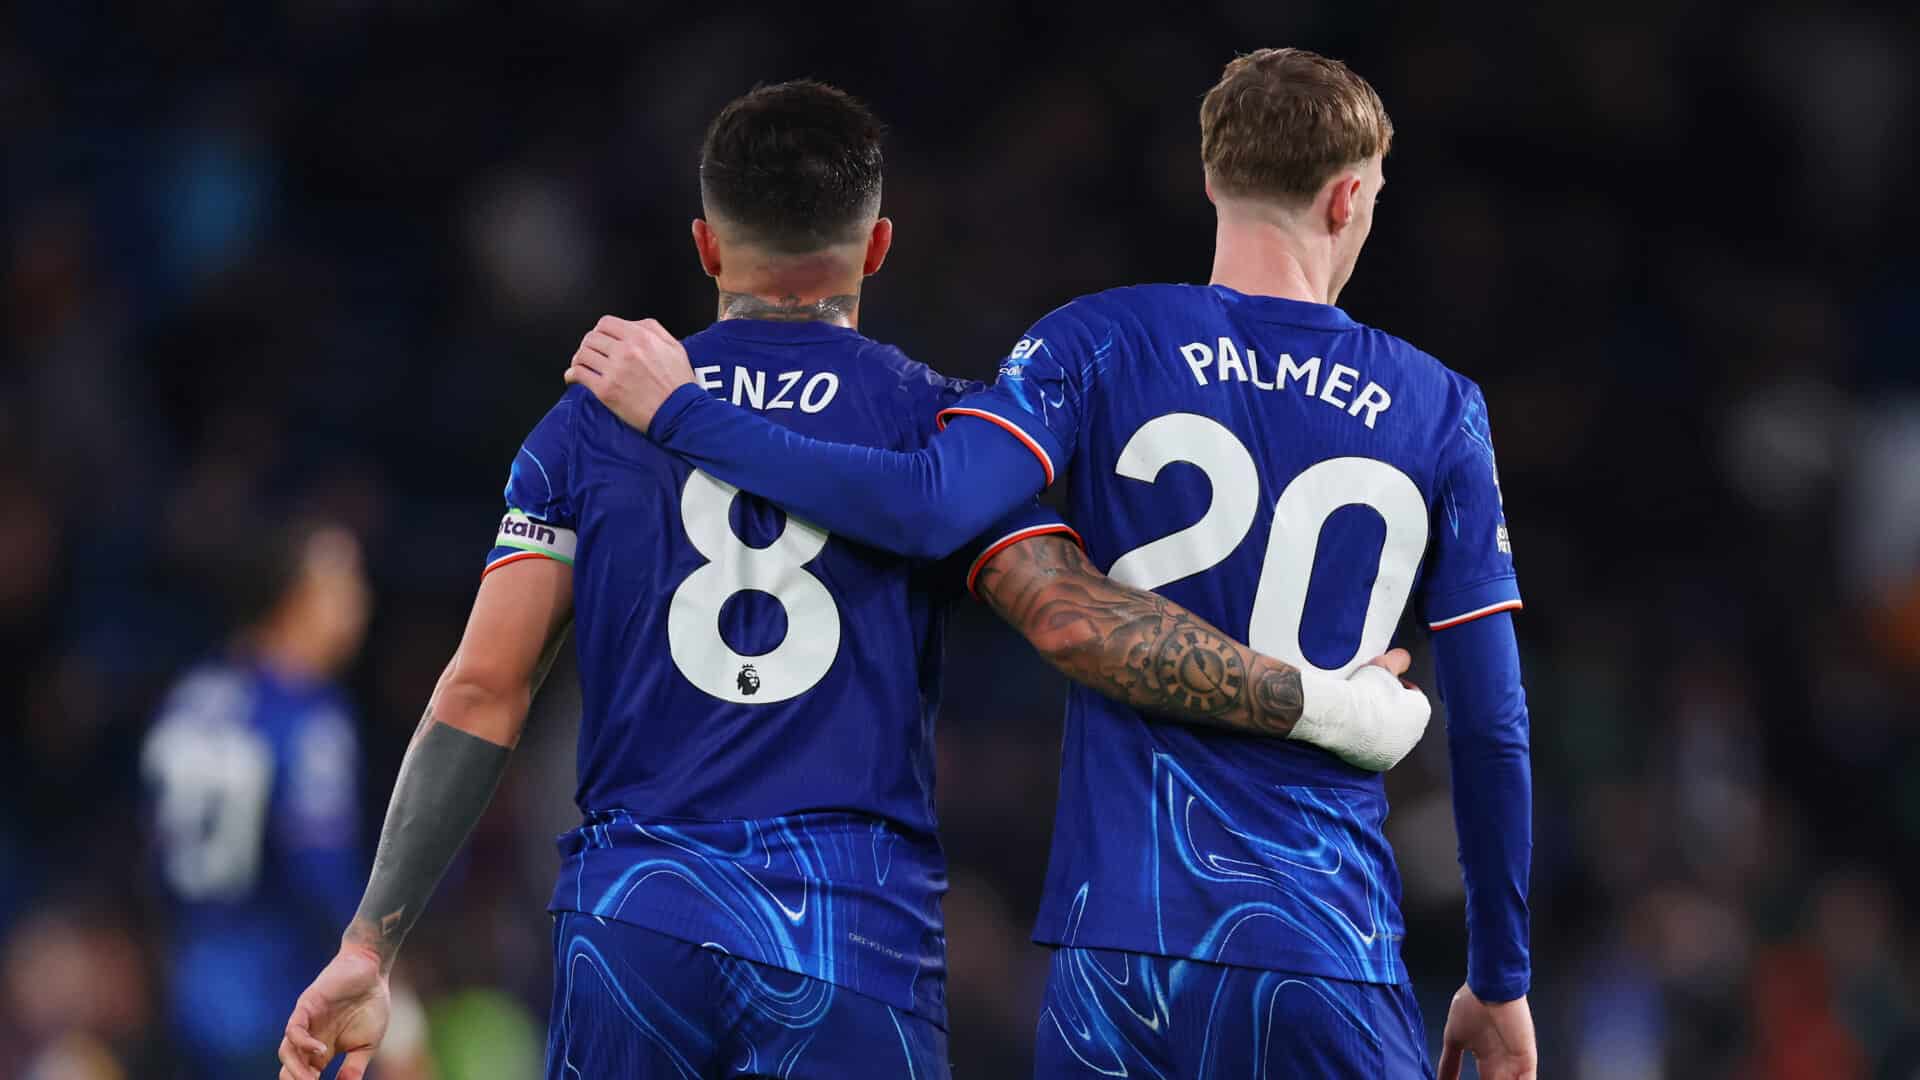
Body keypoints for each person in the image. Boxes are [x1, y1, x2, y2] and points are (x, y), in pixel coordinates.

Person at [274, 80, 1427, 1080]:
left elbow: (482, 691)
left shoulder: (586, 428)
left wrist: (371, 948)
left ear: (707, 244)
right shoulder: (935, 423)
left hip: (634, 924)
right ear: (878, 247)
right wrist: (1323, 701)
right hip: (847, 940)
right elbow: (1074, 621)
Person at [565, 48, 1539, 1080]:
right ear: (1350, 196)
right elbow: (1492, 722)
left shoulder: (1099, 342)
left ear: (1212, 177)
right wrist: (1501, 976)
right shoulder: (1441, 408)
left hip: (1120, 956)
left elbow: (929, 500)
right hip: (1324, 939)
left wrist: (686, 416)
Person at [144, 521, 415, 1079]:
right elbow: (319, 871)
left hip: (185, 981)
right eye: (344, 582)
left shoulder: (190, 695)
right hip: (281, 994)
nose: (360, 601)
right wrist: (378, 970)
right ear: (294, 595)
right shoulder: (310, 714)